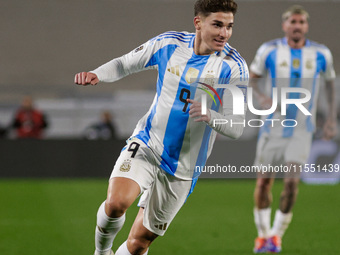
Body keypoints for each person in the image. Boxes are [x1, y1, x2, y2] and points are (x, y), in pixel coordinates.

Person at [75, 0, 248, 254]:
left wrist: (210, 115)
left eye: (229, 27)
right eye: (218, 25)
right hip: (148, 143)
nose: (224, 33)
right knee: (116, 203)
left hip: (184, 166)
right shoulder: (169, 43)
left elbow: (237, 127)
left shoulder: (234, 67)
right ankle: (101, 252)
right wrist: (97, 74)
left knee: (138, 244)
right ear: (198, 23)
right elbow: (125, 63)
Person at [249, 5, 337, 253]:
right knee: (264, 182)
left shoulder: (321, 53)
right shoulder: (269, 50)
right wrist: (263, 98)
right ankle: (262, 235)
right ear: (284, 25)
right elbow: (252, 78)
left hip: (302, 129)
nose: (297, 26)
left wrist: (331, 119)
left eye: (301, 22)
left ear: (306, 26)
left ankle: (276, 236)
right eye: (293, 22)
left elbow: (330, 85)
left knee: (291, 183)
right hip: (272, 127)